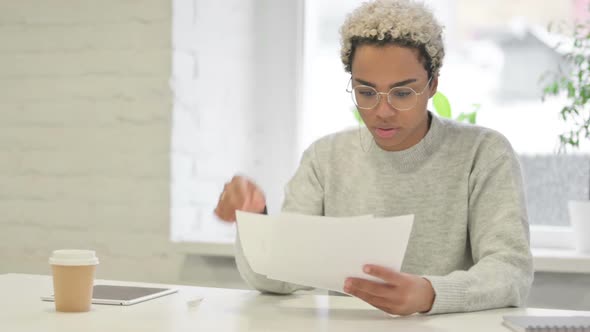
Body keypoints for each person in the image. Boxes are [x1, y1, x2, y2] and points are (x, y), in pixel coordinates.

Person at [214, 0, 533, 316]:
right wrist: (254, 218)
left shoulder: (484, 153)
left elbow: (510, 271)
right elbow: (280, 276)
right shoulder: (325, 160)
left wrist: (430, 294)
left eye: (403, 93)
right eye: (366, 92)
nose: (382, 111)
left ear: (433, 84)